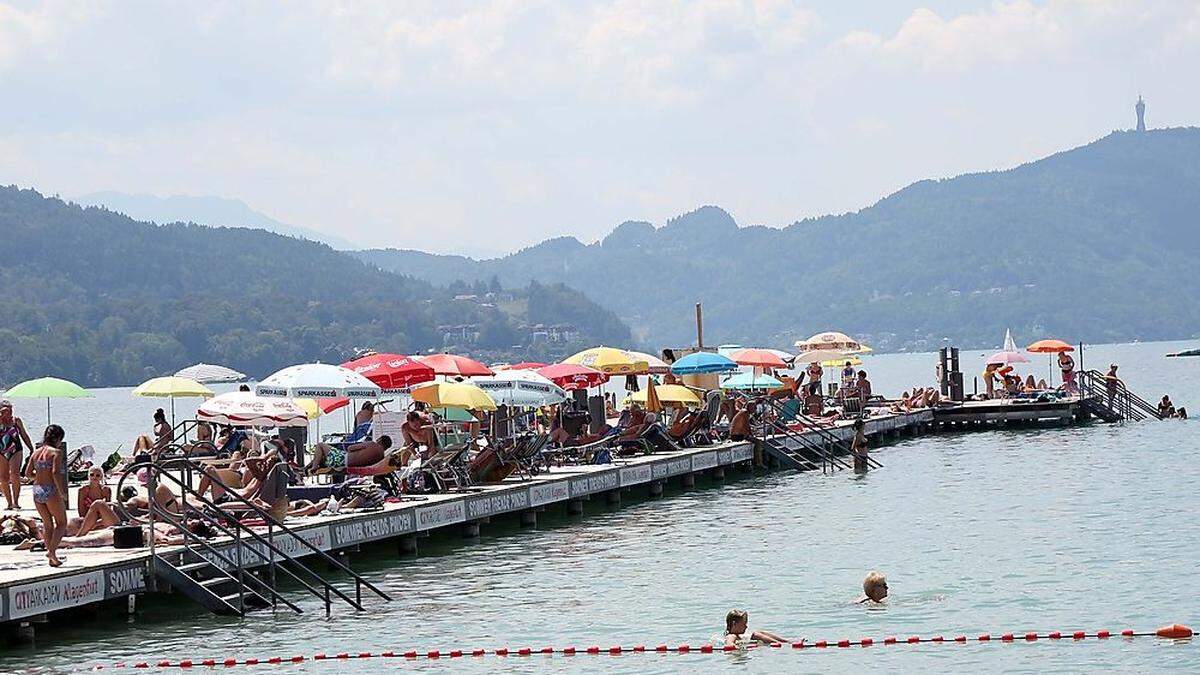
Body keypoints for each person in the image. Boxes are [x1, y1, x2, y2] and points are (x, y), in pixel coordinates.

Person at [29, 425, 68, 566]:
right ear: (58, 439)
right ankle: (51, 551)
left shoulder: (36, 452)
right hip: (50, 489)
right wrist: (62, 491)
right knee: (62, 523)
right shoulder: (56, 452)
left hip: (37, 489)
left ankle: (52, 559)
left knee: (47, 524)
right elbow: (55, 473)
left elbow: (27, 473)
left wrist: (39, 475)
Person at [0, 399, 34, 511]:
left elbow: (24, 434)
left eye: (10, 409)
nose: (9, 412)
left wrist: (30, 447)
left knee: (15, 474)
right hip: (1, 450)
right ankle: (9, 503)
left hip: (16, 450)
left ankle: (16, 501)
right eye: (6, 410)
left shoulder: (16, 420)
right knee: (3, 477)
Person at [306, 436, 394, 472]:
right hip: (347, 467)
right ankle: (307, 468)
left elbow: (350, 448)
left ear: (380, 440)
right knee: (323, 458)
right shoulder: (381, 457)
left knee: (320, 445)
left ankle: (313, 467)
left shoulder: (372, 444)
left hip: (341, 460)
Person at [723, 609, 789, 647]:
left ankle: (785, 641)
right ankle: (781, 644)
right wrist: (736, 647)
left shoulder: (737, 636)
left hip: (745, 642)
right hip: (740, 648)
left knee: (759, 632)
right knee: (755, 634)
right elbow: (730, 644)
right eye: (743, 624)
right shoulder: (731, 636)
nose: (746, 626)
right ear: (734, 624)